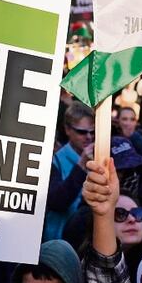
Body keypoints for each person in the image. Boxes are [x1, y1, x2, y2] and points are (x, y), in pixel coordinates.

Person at [44, 103, 95, 240]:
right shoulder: (55, 162)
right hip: (60, 241)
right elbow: (57, 202)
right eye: (82, 132)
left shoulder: (97, 157)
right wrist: (81, 166)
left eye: (92, 132)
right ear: (67, 130)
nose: (88, 137)